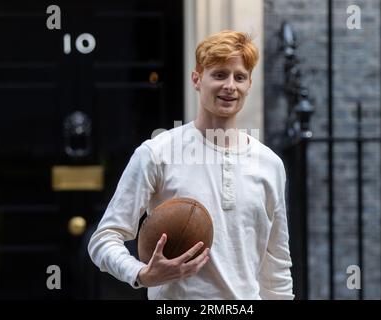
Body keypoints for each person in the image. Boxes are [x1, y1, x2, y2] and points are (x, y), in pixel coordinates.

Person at [88, 30, 294, 300]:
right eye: (219, 74)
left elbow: (276, 265)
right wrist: (141, 274)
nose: (230, 85)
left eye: (239, 77)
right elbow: (103, 239)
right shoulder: (158, 153)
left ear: (249, 84)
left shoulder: (270, 164)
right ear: (197, 80)